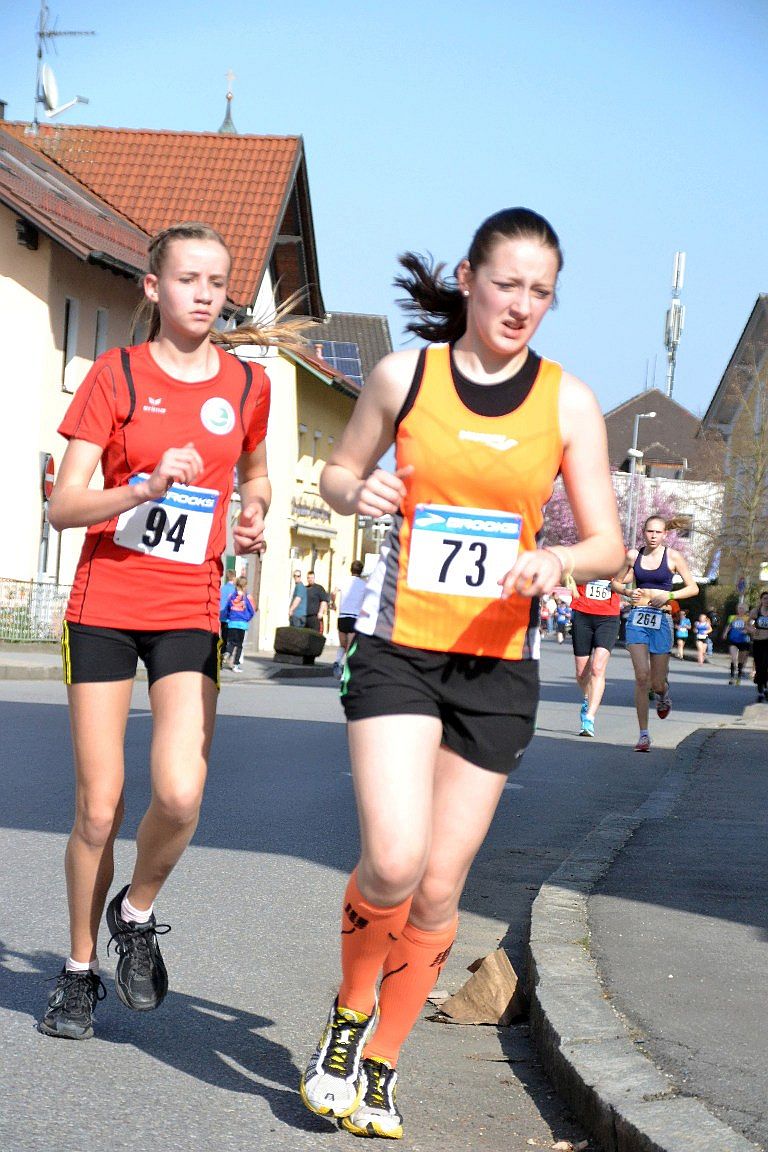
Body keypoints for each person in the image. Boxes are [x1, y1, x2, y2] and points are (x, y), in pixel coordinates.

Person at [298, 207, 625, 1139]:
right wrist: (358, 489)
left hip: (498, 666)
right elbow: (337, 475)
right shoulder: (405, 377)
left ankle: (383, 1064)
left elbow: (605, 542)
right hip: (400, 647)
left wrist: (557, 560)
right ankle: (348, 1019)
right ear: (469, 280)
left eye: (540, 292)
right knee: (393, 860)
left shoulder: (567, 403)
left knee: (441, 888)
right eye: (507, 284)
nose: (522, 305)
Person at [40, 221, 308, 1041]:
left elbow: (256, 473)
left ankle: (135, 910)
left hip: (189, 609)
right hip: (105, 607)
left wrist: (254, 512)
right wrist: (141, 488)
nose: (204, 294)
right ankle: (79, 972)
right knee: (99, 809)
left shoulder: (248, 384)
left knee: (183, 793)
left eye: (217, 282)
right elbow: (63, 505)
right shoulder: (115, 375)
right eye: (188, 279)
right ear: (154, 288)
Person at [614, 515, 698, 752]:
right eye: (649, 531)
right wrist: (628, 593)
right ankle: (643, 735)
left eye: (658, 532)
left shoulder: (673, 557)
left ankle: (663, 693)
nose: (653, 536)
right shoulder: (634, 556)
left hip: (661, 619)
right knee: (642, 676)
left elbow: (693, 587)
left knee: (656, 682)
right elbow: (615, 583)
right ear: (644, 532)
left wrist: (669, 595)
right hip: (638, 618)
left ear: (664, 535)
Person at [569, 576, 622, 737]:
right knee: (581, 673)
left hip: (608, 617)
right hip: (582, 613)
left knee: (597, 668)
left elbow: (629, 574)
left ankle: (589, 718)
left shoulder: (617, 562)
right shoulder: (584, 559)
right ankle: (587, 697)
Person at [333, 559, 367, 678]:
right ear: (361, 571)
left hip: (342, 616)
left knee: (342, 644)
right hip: (354, 617)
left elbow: (334, 592)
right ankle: (345, 673)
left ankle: (337, 661)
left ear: (351, 569)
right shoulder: (364, 584)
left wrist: (333, 603)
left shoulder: (343, 580)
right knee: (350, 647)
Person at [222, 576, 256, 671]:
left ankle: (228, 652)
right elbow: (252, 610)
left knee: (231, 642)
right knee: (239, 645)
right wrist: (247, 618)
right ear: (245, 586)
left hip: (232, 623)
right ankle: (236, 665)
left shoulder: (232, 596)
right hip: (242, 624)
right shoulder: (247, 597)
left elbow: (227, 608)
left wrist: (229, 617)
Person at [746, 592, 768, 701]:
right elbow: (747, 624)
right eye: (765, 598)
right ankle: (761, 688)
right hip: (758, 641)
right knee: (759, 665)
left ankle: (765, 685)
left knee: (766, 663)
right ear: (761, 600)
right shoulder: (756, 611)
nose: (767, 601)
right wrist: (752, 630)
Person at [723, 605, 751, 685]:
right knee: (733, 658)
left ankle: (739, 676)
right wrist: (725, 633)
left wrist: (746, 631)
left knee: (741, 660)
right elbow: (729, 626)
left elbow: (752, 628)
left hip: (743, 641)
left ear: (745, 610)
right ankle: (732, 677)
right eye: (739, 608)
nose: (740, 610)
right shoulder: (732, 617)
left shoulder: (748, 618)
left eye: (742, 608)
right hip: (733, 640)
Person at [219, 568, 237, 649]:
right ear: (234, 577)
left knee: (223, 637)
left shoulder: (222, 588)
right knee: (230, 639)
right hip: (230, 617)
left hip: (222, 616)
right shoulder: (234, 590)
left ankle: (222, 652)